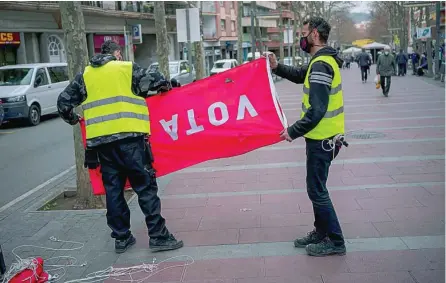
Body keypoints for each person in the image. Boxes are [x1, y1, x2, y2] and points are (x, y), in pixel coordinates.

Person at [57, 40, 183, 254]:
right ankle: (158, 236)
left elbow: (63, 103)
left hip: (102, 146)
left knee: (114, 191)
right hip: (131, 140)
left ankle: (122, 238)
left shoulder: (85, 75)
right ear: (116, 54)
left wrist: (74, 119)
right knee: (144, 187)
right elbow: (157, 81)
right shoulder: (126, 68)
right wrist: (166, 86)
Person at [265, 16, 346, 257]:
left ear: (314, 34)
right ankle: (320, 231)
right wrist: (277, 66)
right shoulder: (320, 60)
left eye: (303, 32)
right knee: (316, 187)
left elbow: (318, 110)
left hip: (323, 139)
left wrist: (292, 131)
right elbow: (301, 74)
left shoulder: (322, 63)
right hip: (324, 138)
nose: (301, 38)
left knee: (316, 189)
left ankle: (335, 240)